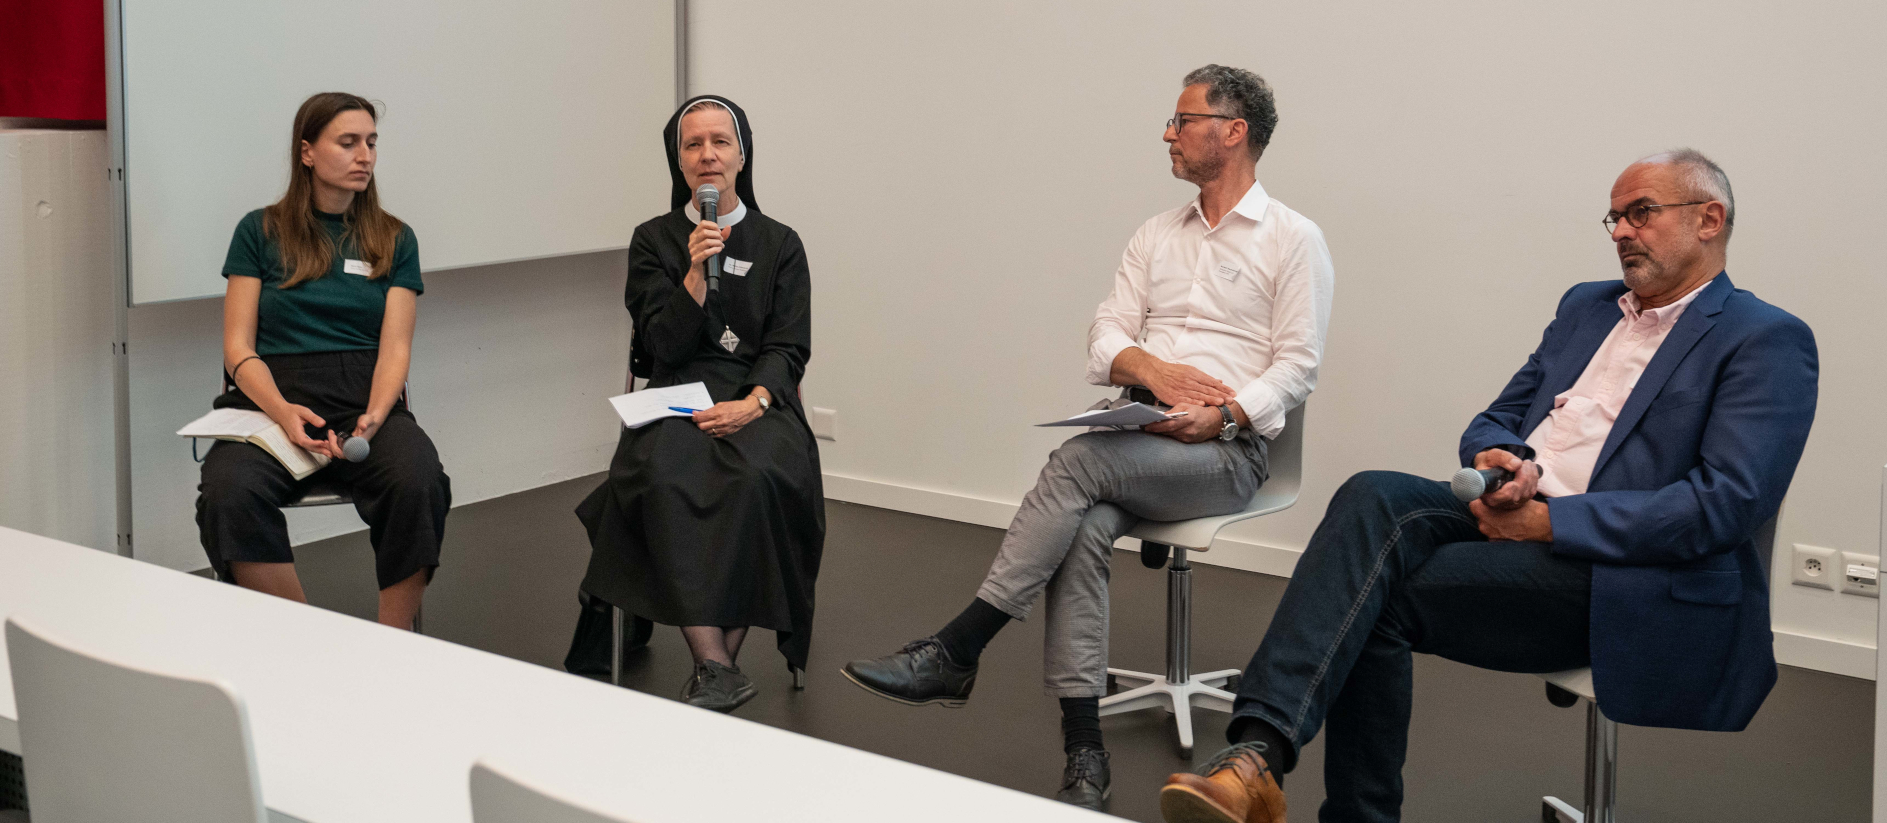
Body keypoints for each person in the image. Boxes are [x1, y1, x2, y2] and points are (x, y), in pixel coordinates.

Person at [1157, 149, 1818, 823]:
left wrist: (1553, 523)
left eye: (1640, 213)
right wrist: (1503, 459)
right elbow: (1498, 416)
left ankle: (1270, 765)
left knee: (1372, 596)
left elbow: (1725, 503)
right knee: (1370, 492)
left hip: (1622, 571)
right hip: (1516, 510)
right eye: (1614, 217)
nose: (1620, 230)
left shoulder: (1765, 339)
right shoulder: (1589, 307)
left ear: (1710, 219)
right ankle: (1258, 762)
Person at [842, 65, 1333, 811]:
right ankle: (1085, 752)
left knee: (1074, 465)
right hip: (1141, 438)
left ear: (1232, 132)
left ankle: (958, 648)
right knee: (1085, 523)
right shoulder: (1154, 235)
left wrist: (1224, 415)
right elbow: (1105, 335)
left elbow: (1298, 366)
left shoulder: (1294, 240)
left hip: (1230, 453)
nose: (1168, 133)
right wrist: (1152, 369)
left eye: (1182, 119)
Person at [568, 95, 824, 714]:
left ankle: (715, 668)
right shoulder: (653, 240)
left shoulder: (781, 243)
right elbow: (659, 346)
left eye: (719, 141)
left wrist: (755, 403)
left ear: (742, 154)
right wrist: (691, 275)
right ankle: (717, 663)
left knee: (759, 475)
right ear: (678, 161)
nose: (707, 154)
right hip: (677, 389)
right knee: (659, 473)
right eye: (692, 144)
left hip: (759, 395)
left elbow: (789, 347)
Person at [196, 92, 452, 630]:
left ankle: (393, 640)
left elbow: (395, 349)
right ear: (308, 152)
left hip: (365, 400)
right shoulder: (258, 231)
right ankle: (308, 638)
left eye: (372, 143)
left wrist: (377, 414)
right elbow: (238, 347)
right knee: (228, 492)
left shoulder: (395, 238)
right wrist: (284, 413)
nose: (365, 155)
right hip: (270, 403)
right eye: (349, 142)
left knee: (419, 478)